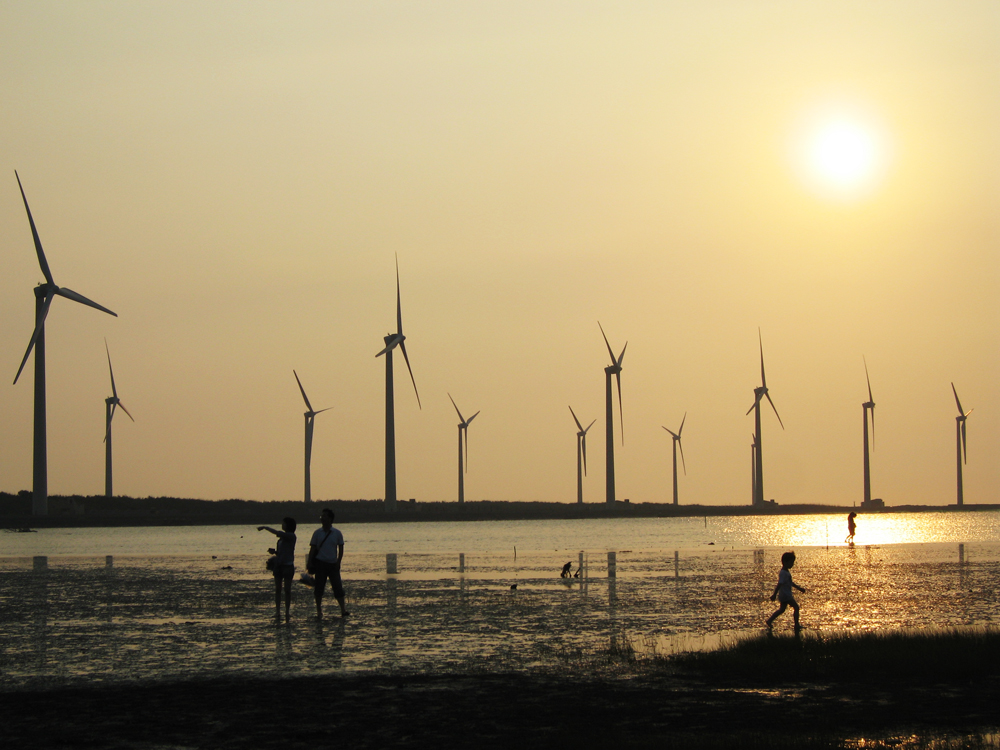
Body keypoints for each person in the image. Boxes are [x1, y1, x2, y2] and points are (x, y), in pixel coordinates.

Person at [308, 508, 349, 619]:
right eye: (322, 516)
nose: (322, 518)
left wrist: (338, 562)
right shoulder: (317, 533)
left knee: (338, 588)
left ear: (330, 519)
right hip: (320, 564)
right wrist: (309, 563)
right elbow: (312, 549)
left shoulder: (337, 533)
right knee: (319, 589)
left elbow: (340, 548)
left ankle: (343, 609)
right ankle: (319, 611)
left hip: (332, 564)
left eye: (325, 516)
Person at [258, 518, 296, 621]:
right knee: (278, 589)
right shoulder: (281, 539)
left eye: (284, 523)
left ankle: (287, 612)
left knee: (287, 590)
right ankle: (278, 612)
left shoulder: (291, 536)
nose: (282, 524)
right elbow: (281, 552)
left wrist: (265, 527)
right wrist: (274, 552)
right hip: (279, 565)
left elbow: (277, 533)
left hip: (288, 566)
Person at [765, 551, 806, 631]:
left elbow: (790, 583)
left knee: (782, 609)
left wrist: (799, 588)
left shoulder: (786, 572)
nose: (792, 564)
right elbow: (779, 584)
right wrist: (774, 594)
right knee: (796, 607)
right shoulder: (783, 573)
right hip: (786, 595)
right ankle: (796, 625)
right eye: (791, 562)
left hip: (784, 595)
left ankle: (769, 620)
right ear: (785, 562)